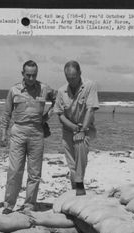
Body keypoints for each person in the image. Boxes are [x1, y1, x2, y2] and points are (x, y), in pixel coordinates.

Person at [0, 60, 55, 214]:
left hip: (37, 132)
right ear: (23, 74)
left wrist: (46, 117)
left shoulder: (44, 88)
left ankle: (29, 205)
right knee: (15, 170)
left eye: (34, 75)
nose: (31, 78)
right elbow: (6, 113)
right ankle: (8, 205)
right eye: (28, 75)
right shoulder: (14, 90)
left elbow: (58, 102)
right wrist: (3, 133)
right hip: (18, 131)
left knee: (35, 173)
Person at [54, 61, 99, 196]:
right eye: (68, 78)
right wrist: (74, 127)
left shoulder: (89, 86)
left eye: (74, 77)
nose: (71, 81)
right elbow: (60, 114)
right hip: (68, 129)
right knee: (72, 164)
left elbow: (90, 109)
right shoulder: (62, 91)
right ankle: (75, 190)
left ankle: (79, 183)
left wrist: (82, 130)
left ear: (80, 73)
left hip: (86, 127)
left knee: (81, 145)